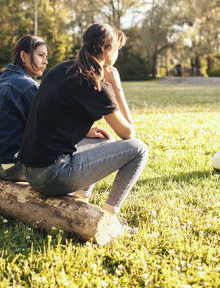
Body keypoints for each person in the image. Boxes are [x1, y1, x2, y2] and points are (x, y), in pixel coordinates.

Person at [19, 23, 148, 231]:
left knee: (104, 139)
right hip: (51, 175)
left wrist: (86, 132)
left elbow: (51, 118)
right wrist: (117, 86)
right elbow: (129, 134)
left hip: (29, 168)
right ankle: (109, 219)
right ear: (107, 50)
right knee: (139, 149)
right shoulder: (96, 84)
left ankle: (81, 201)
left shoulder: (59, 70)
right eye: (117, 50)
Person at [0, 35, 48, 181]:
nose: (45, 61)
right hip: (12, 167)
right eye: (40, 55)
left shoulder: (0, 79)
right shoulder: (27, 85)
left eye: (46, 56)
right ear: (24, 56)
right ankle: (79, 195)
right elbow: (46, 128)